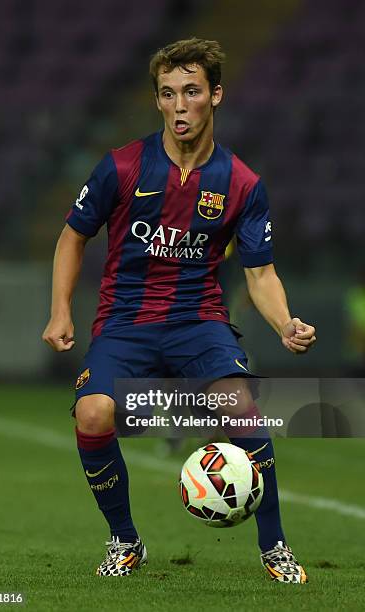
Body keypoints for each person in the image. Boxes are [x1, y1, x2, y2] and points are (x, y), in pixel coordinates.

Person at [42, 38, 316, 582]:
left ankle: (275, 547)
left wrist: (285, 322)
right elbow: (73, 237)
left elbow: (260, 273)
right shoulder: (122, 166)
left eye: (191, 92)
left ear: (215, 95)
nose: (179, 105)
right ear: (158, 102)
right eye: (167, 94)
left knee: (241, 407)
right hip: (125, 322)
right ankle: (124, 541)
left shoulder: (241, 183)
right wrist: (60, 311)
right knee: (94, 414)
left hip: (199, 321)